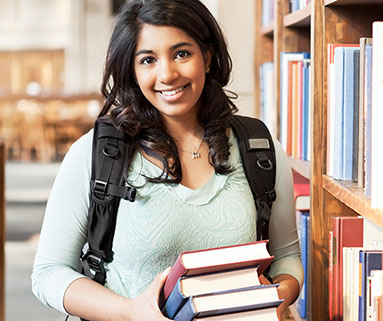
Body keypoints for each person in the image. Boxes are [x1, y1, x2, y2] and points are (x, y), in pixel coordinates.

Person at [32, 0, 303, 320]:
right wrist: (131, 312)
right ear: (131, 70)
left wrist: (278, 294)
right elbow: (49, 272)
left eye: (181, 53)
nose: (168, 74)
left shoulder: (260, 149)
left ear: (208, 55)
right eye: (148, 59)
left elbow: (286, 258)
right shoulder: (94, 154)